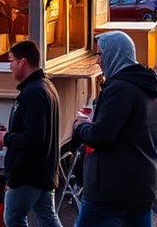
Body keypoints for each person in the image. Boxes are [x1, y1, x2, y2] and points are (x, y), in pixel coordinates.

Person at [72, 31, 157, 227]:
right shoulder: (146, 86)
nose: (98, 61)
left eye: (100, 54)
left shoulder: (119, 88)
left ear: (114, 53)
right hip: (142, 185)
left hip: (112, 188)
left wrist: (81, 126)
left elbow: (102, 136)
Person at [0, 40, 62, 227]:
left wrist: (6, 138)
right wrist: (9, 134)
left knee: (14, 218)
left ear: (23, 62)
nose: (10, 66)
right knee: (47, 217)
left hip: (28, 172)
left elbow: (34, 137)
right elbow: (36, 131)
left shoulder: (33, 92)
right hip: (44, 170)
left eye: (12, 61)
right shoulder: (45, 86)